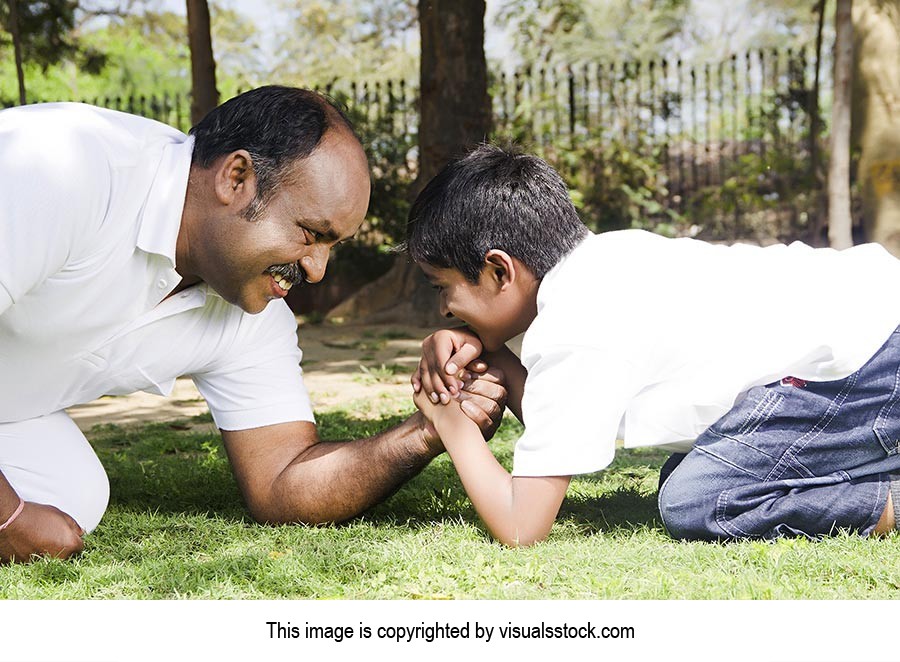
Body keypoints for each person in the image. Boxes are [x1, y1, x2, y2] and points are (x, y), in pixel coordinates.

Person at [0, 87, 507, 563]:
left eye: (333, 247)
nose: (317, 269)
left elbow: (282, 481)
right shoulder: (61, 167)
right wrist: (11, 519)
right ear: (235, 179)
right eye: (311, 234)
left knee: (74, 495)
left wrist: (426, 431)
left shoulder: (251, 308)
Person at [407, 142, 900, 547]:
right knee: (689, 473)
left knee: (701, 497)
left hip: (873, 359)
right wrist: (488, 354)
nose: (445, 310)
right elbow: (567, 421)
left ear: (499, 270)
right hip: (871, 334)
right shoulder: (602, 264)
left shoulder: (576, 326)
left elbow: (521, 526)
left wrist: (447, 417)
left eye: (441, 288)